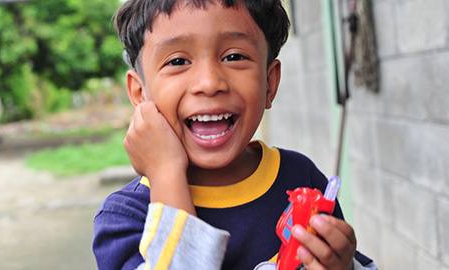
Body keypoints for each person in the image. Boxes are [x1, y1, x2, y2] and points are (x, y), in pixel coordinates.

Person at [93, 0, 378, 269]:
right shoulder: (124, 218)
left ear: (270, 83)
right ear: (140, 94)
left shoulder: (301, 178)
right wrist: (167, 175)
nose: (209, 83)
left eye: (234, 56)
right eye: (178, 61)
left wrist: (343, 264)